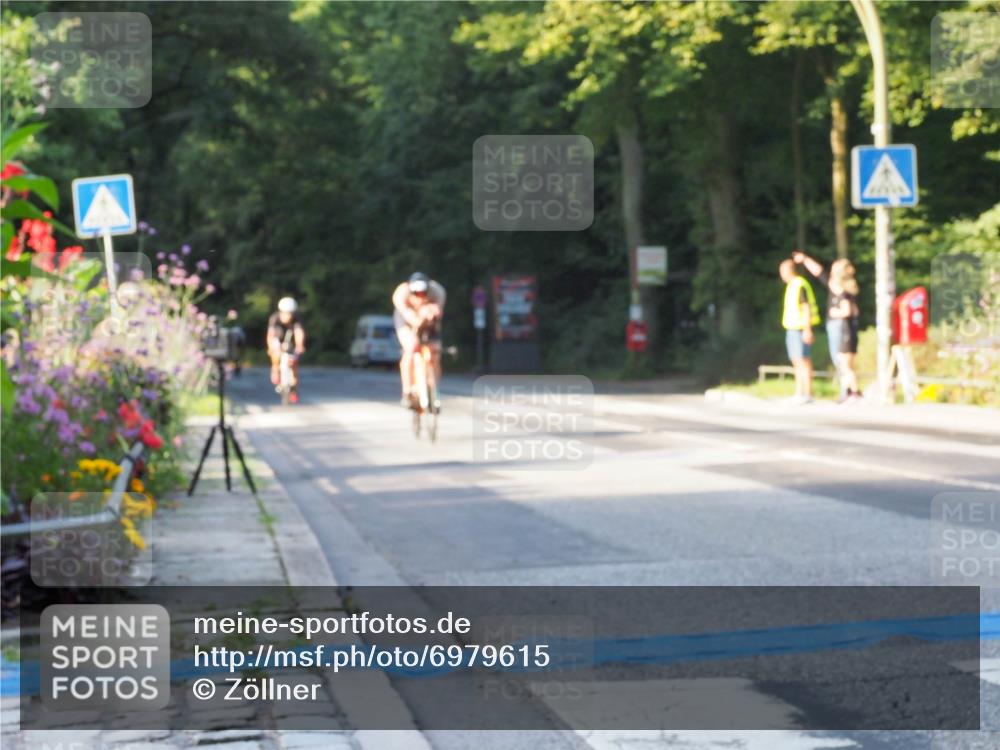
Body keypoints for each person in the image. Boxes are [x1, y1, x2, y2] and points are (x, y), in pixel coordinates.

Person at [793, 251, 861, 402]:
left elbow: (849, 310)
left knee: (842, 362)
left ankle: (852, 392)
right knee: (844, 363)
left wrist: (835, 312)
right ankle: (848, 392)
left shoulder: (841, 289)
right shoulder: (849, 288)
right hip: (846, 327)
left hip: (841, 327)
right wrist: (805, 260)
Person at [392, 272, 446, 407]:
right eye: (417, 293)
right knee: (411, 347)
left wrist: (430, 313)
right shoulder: (401, 293)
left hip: (428, 318)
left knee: (435, 352)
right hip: (406, 320)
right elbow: (406, 313)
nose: (420, 296)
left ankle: (434, 387)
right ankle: (407, 391)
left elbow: (438, 311)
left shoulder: (438, 291)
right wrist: (416, 319)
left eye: (423, 292)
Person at [779, 259, 820, 403]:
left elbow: (806, 307)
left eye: (782, 271)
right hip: (792, 328)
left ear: (788, 270)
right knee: (797, 361)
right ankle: (799, 392)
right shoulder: (792, 285)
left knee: (804, 361)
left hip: (800, 328)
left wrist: (807, 330)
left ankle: (807, 393)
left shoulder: (799, 284)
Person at [267, 297, 305, 404]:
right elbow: (270, 335)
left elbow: (299, 333)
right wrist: (271, 347)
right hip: (278, 339)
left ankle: (294, 388)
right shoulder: (275, 318)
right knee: (275, 353)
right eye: (286, 313)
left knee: (294, 362)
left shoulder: (296, 319)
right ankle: (275, 369)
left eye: (290, 313)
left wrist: (300, 345)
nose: (289, 316)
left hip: (290, 341)